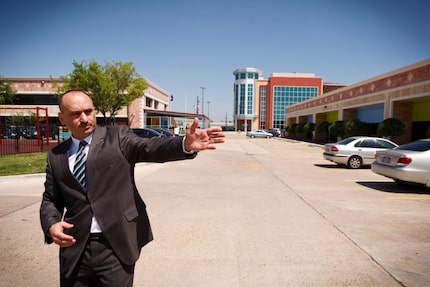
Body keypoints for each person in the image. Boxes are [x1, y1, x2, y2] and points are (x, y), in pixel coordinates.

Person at [40, 89, 225, 286]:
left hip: (115, 246)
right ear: (61, 117)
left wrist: (184, 145)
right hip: (75, 249)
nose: (85, 118)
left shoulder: (118, 136)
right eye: (76, 114)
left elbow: (150, 147)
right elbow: (50, 199)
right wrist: (51, 224)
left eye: (89, 111)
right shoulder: (56, 156)